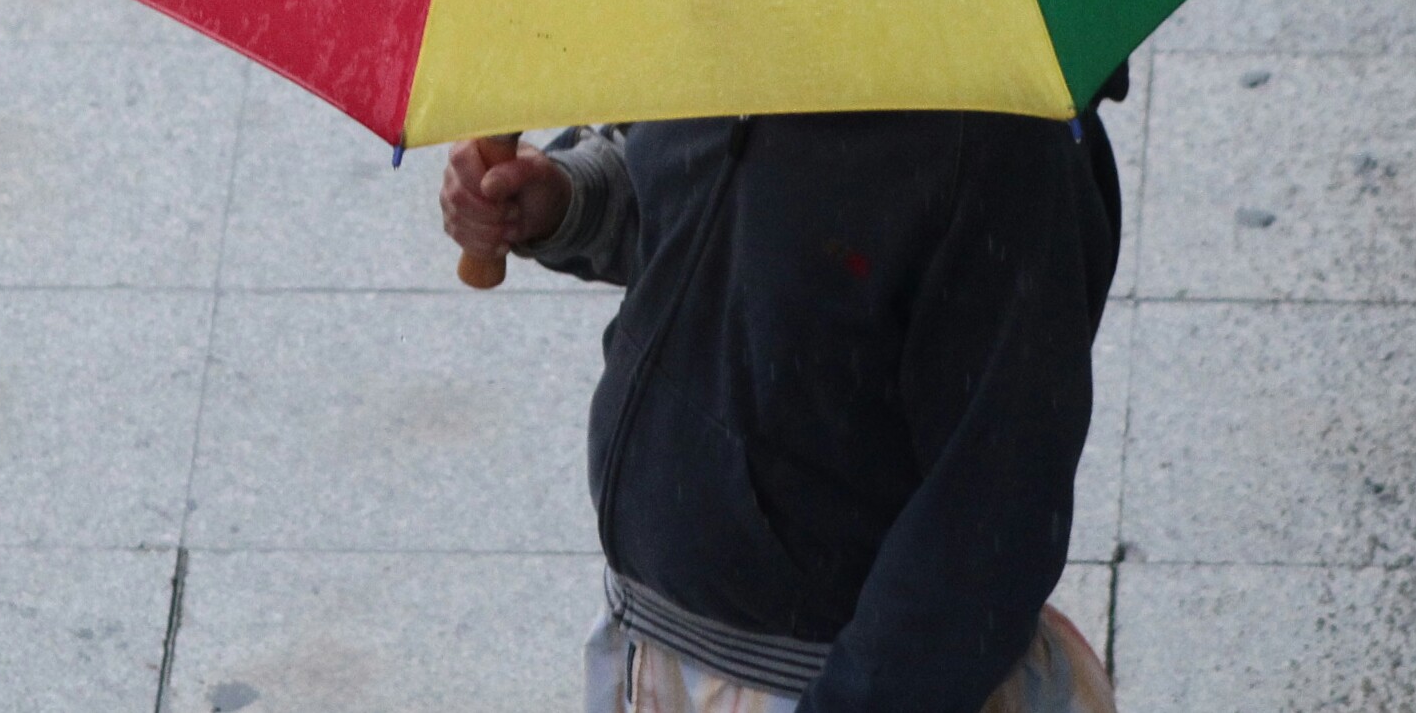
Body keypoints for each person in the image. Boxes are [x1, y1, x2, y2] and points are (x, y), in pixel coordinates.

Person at [438, 86, 1127, 713]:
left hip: (837, 677)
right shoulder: (745, 35)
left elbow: (991, 509)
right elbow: (703, 211)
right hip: (661, 643)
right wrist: (559, 197)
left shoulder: (994, 148)